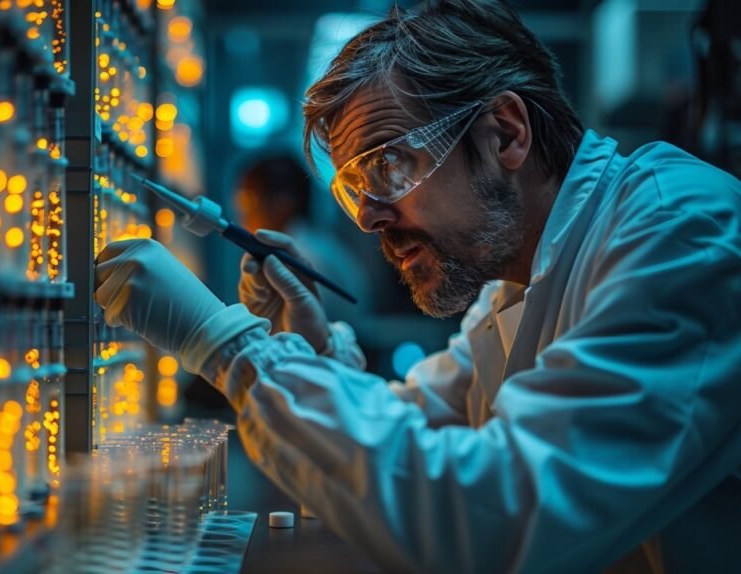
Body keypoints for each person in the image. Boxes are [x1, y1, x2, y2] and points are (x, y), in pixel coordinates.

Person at [94, 1, 741, 572]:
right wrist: (318, 359)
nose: (371, 216)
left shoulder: (680, 235)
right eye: (353, 190)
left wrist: (228, 348)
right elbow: (416, 425)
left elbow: (487, 518)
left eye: (388, 165)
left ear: (506, 134)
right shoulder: (517, 282)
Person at [234, 153, 369, 321]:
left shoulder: (309, 259)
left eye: (248, 200)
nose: (243, 214)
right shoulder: (319, 247)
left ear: (284, 202)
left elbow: (314, 334)